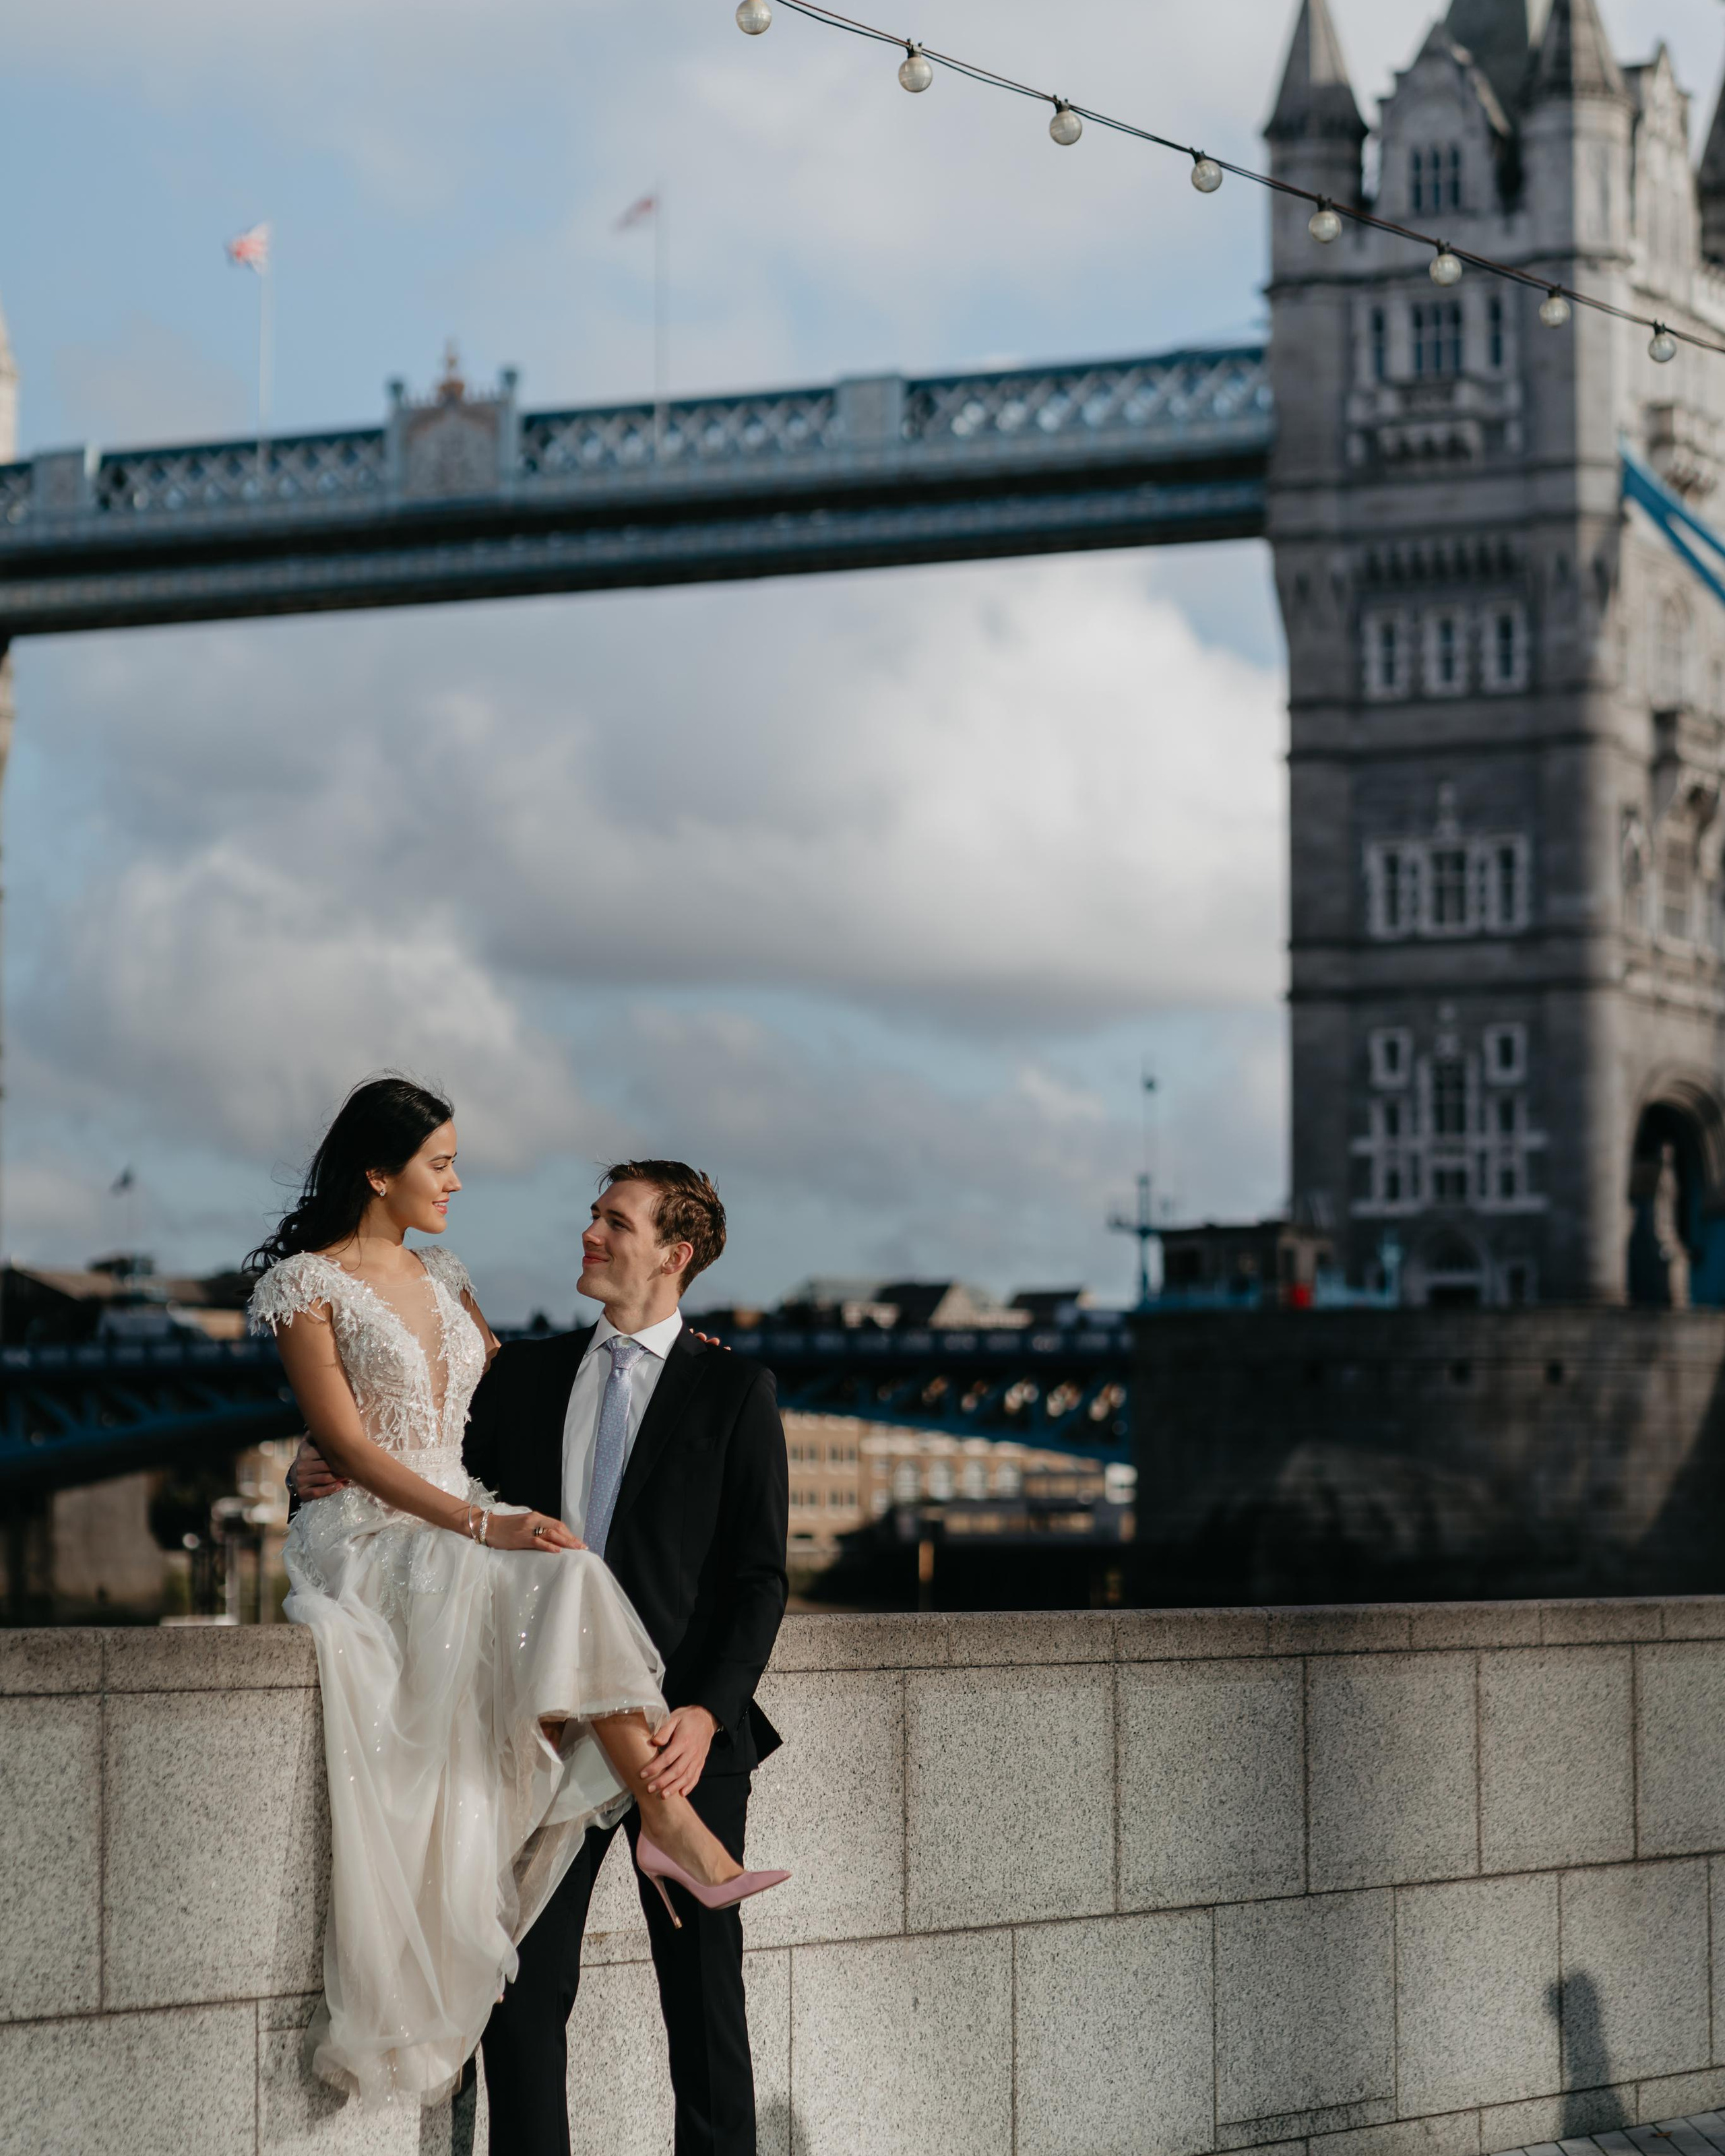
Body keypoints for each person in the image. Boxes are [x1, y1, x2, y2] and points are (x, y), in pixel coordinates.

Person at [256, 1078, 786, 2113]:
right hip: (537, 1723)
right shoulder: (528, 1375)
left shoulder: (733, 1388)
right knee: (523, 2011)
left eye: (615, 1221)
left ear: (674, 1256)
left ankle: (672, 1821)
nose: (587, 1231)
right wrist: (308, 1470)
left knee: (708, 2020)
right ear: (381, 1172)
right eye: (595, 1213)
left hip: (680, 1732)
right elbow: (400, 1444)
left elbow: (762, 1579)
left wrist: (708, 1711)